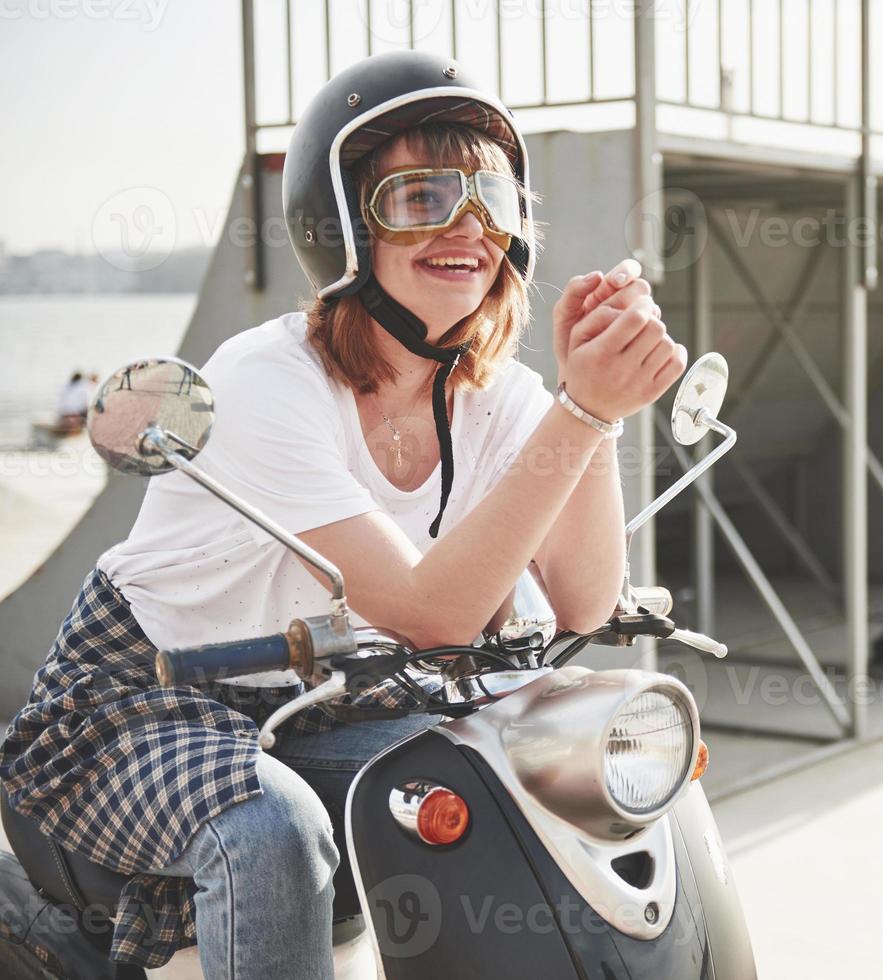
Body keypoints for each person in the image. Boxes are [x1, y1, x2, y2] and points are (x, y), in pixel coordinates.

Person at [0, 50, 685, 977]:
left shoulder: (504, 397)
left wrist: (590, 408)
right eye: (420, 197)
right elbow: (429, 613)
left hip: (326, 696)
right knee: (268, 830)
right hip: (138, 699)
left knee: (504, 767)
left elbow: (584, 603)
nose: (469, 225)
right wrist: (585, 410)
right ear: (341, 225)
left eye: (493, 197)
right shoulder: (265, 379)